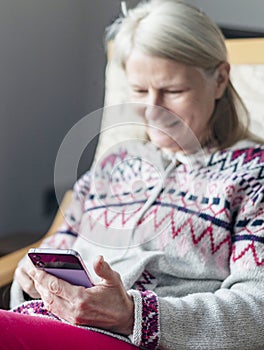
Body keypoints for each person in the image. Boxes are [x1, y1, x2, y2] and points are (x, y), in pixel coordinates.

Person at [1, 1, 264, 349]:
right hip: (50, 327)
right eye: (139, 91)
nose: (153, 109)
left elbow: (257, 310)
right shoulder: (116, 164)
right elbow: (56, 249)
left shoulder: (253, 175)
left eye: (173, 91)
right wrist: (31, 281)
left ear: (220, 80)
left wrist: (133, 315)